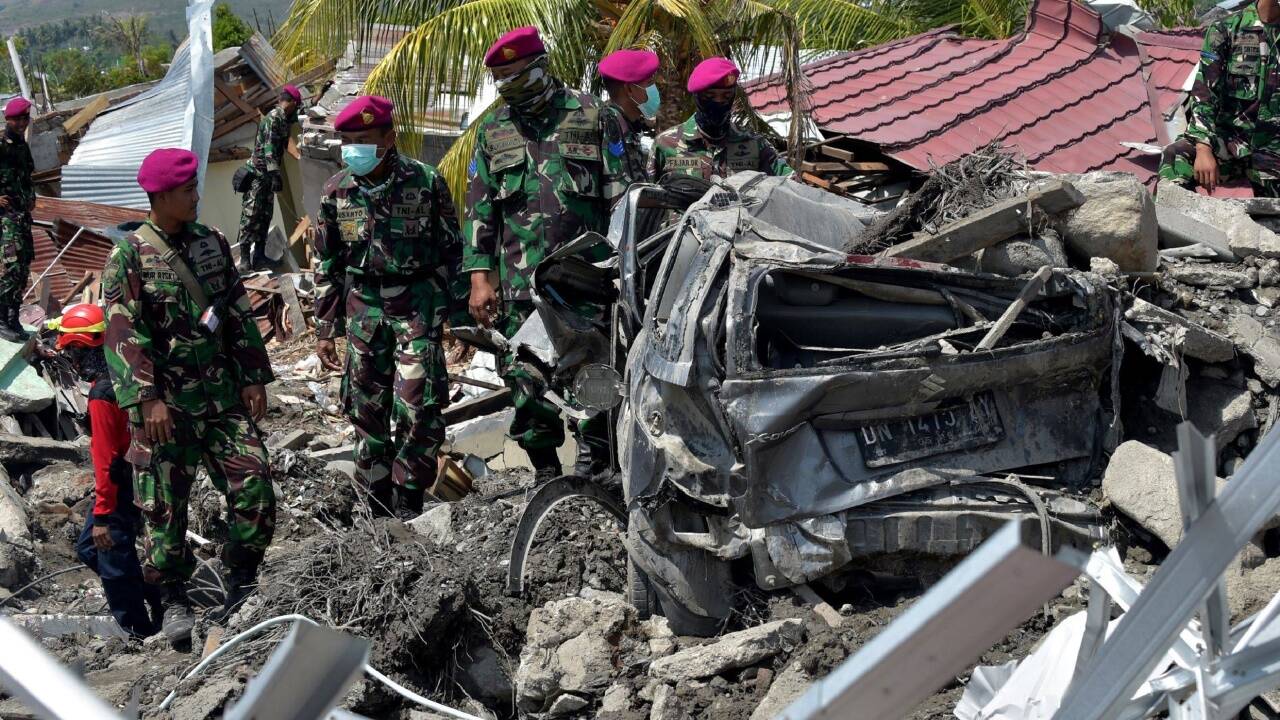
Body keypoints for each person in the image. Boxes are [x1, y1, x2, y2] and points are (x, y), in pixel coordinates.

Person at [103, 148, 276, 648]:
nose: (196, 198)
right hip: (166, 408)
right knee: (164, 508)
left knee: (256, 484)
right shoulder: (130, 256)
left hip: (221, 397)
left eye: (196, 188)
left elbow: (237, 310)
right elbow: (122, 333)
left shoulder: (212, 243)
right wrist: (148, 399)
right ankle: (174, 596)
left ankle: (241, 573)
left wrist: (252, 376)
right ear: (159, 197)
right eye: (186, 192)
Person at [464, 26, 620, 481]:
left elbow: (621, 196)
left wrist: (622, 267)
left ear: (541, 67)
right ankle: (547, 474)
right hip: (518, 285)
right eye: (503, 82)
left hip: (586, 281)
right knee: (526, 385)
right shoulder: (492, 131)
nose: (512, 89)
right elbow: (480, 209)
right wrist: (479, 277)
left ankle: (599, 467)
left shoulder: (593, 116)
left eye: (519, 77)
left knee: (598, 375)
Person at [312, 95, 462, 516]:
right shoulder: (336, 190)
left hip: (416, 306)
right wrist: (326, 330)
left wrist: (454, 314)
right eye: (347, 141)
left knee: (419, 403)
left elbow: (452, 249)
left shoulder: (425, 182)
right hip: (363, 310)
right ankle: (376, 502)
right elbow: (328, 262)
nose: (353, 149)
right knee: (365, 406)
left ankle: (410, 497)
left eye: (362, 139)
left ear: (389, 138)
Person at [49, 303, 165, 639]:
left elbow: (104, 457)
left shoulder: (102, 394)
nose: (71, 359)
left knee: (110, 558)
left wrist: (101, 514)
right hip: (139, 474)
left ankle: (140, 632)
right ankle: (154, 592)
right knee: (89, 548)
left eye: (71, 351)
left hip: (118, 483)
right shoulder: (129, 374)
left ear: (82, 348)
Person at [1160, 0, 1280, 195]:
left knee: (1270, 221)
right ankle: (1173, 225)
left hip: (1274, 150)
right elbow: (1204, 94)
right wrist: (1203, 147)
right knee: (1176, 157)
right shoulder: (1224, 30)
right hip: (1232, 143)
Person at [649, 57, 792, 182]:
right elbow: (646, 200)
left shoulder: (754, 144)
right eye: (710, 97)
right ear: (697, 98)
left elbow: (792, 187)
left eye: (726, 97)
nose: (718, 103)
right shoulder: (666, 144)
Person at [237, 85, 302, 273]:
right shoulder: (274, 118)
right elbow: (269, 149)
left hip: (267, 176)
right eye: (296, 106)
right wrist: (275, 174)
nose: (296, 111)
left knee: (265, 216)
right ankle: (244, 260)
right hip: (259, 175)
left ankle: (259, 257)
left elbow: (283, 142)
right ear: (290, 102)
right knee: (251, 215)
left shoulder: (283, 119)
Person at [599, 49, 661, 200]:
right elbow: (619, 196)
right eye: (649, 83)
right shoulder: (610, 125)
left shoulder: (627, 125)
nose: (655, 90)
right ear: (629, 89)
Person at [0, 97, 35, 342]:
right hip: (5, 218)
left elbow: (27, 175)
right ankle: (2, 318)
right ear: (9, 120)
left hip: (22, 215)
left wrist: (31, 196)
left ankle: (12, 319)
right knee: (11, 267)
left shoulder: (22, 145)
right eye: (19, 119)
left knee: (23, 267)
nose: (23, 123)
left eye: (26, 119)